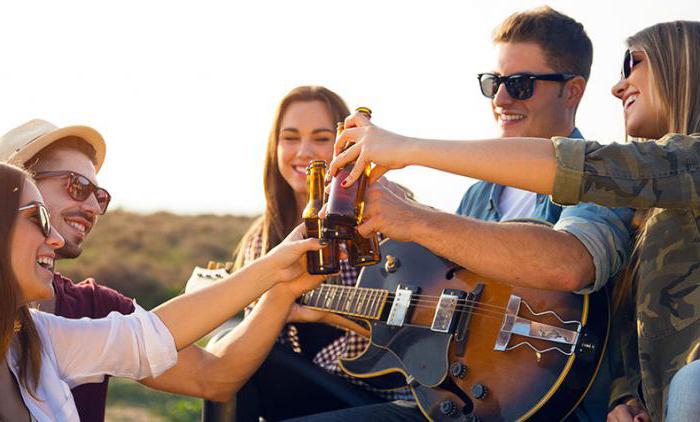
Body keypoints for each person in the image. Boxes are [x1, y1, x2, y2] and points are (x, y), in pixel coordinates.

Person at [331, 20, 700, 422]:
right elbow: (637, 333)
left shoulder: (651, 175)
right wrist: (625, 397)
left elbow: (582, 201)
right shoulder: (650, 210)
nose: (616, 87)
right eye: (493, 82)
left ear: (682, 65)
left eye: (633, 63)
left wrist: (404, 150)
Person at [0, 117, 332, 422]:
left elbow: (206, 373)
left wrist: (280, 284)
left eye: (99, 195)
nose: (91, 207)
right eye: (77, 186)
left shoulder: (57, 329)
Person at [223, 86, 413, 421]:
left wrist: (319, 313)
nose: (304, 152)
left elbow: (414, 324)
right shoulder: (263, 237)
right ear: (275, 146)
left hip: (379, 391)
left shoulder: (383, 216)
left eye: (322, 138)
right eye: (291, 138)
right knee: (235, 353)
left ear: (347, 145)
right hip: (309, 385)